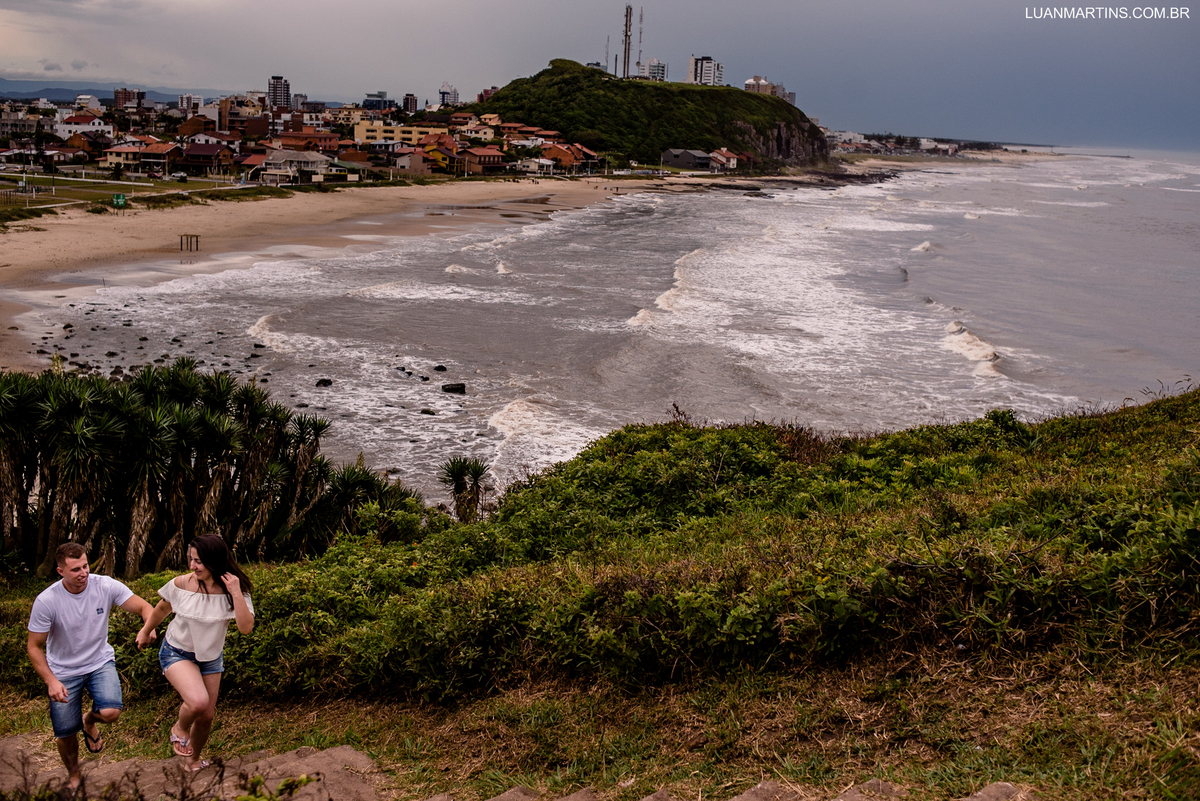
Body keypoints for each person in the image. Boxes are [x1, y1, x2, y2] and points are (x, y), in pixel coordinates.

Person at [26, 542, 157, 792]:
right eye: (75, 569)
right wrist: (51, 681)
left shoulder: (104, 585)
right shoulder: (47, 601)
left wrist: (147, 628)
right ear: (60, 571)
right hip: (63, 671)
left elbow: (144, 607)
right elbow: (34, 647)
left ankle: (88, 720)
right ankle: (74, 775)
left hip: (99, 662)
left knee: (111, 712)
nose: (84, 572)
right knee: (65, 732)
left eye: (85, 566)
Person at [136, 534, 254, 772]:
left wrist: (235, 592)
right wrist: (145, 631)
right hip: (176, 652)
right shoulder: (182, 584)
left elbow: (246, 627)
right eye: (191, 559)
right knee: (198, 702)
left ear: (214, 560)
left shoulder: (234, 587)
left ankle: (192, 761)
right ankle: (179, 728)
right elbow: (162, 609)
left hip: (210, 658)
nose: (192, 566)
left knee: (206, 716)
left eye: (198, 561)